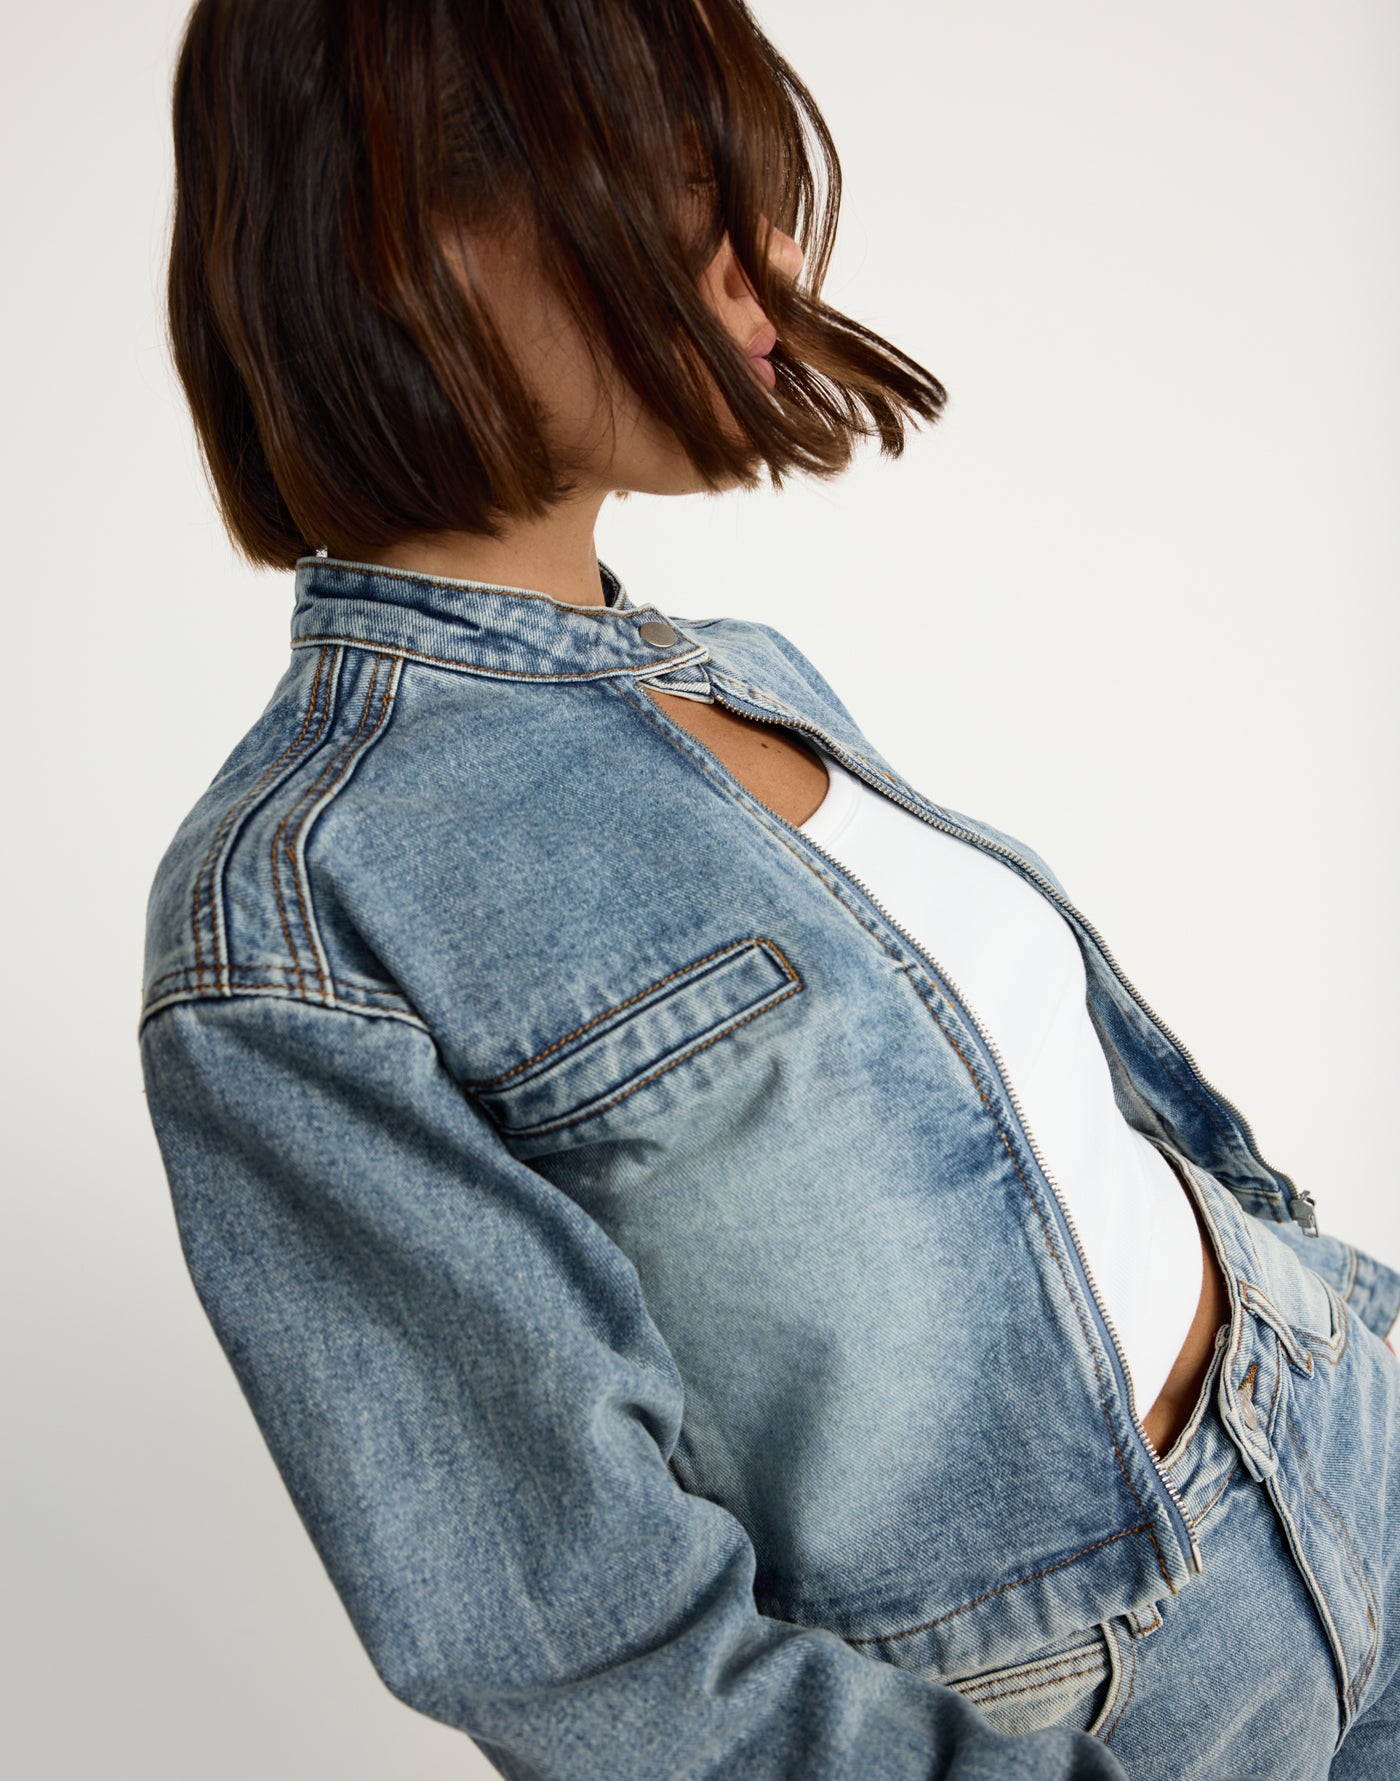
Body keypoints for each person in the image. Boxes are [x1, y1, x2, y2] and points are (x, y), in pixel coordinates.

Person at [140, 1, 1400, 1775]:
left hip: (1346, 1444)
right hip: (1128, 1720)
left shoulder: (737, 668)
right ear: (414, 227)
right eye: (691, 193)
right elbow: (606, 1663)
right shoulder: (295, 913)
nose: (777, 268)